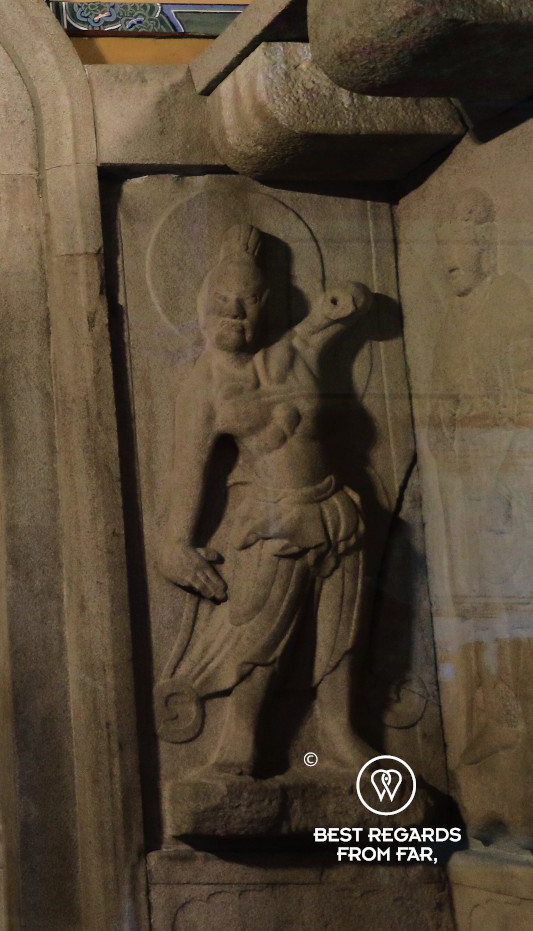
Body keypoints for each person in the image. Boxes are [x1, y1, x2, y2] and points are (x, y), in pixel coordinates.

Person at [153, 224, 376, 775]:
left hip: (337, 509)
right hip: (273, 522)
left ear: (267, 304)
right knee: (260, 636)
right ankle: (240, 738)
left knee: (339, 636)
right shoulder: (204, 387)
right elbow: (188, 470)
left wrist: (345, 299)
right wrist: (174, 544)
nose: (235, 312)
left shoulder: (294, 350)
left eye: (248, 301)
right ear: (203, 307)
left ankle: (340, 732)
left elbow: (341, 306)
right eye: (223, 302)